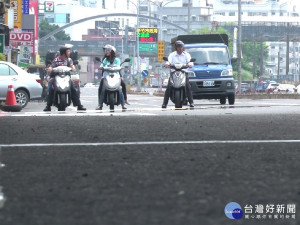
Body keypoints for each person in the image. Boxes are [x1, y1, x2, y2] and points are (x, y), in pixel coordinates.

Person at [43, 46, 86, 111]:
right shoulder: (56, 60)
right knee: (50, 88)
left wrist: (73, 68)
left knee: (73, 89)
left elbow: (72, 66)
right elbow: (52, 67)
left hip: (67, 77)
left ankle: (79, 105)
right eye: (68, 51)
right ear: (63, 52)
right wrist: (50, 69)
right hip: (56, 77)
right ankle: (48, 106)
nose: (69, 53)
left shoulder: (69, 60)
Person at [162, 40, 194, 108]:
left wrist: (190, 64)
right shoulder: (172, 55)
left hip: (184, 73)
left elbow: (190, 62)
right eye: (178, 47)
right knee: (169, 87)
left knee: (188, 86)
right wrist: (167, 64)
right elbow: (168, 61)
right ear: (176, 47)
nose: (180, 48)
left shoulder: (186, 55)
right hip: (173, 72)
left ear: (183, 47)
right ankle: (165, 103)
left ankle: (191, 102)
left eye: (181, 47)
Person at [96, 44, 128, 110]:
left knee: (121, 87)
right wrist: (101, 67)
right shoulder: (105, 60)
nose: (106, 52)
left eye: (108, 50)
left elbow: (118, 66)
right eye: (105, 50)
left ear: (112, 51)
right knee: (101, 88)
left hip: (116, 75)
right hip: (106, 76)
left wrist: (120, 68)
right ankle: (100, 104)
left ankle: (123, 103)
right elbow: (102, 65)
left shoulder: (117, 60)